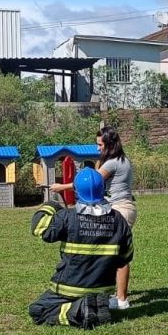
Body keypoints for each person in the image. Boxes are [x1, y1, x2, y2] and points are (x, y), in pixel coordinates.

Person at [28, 168, 134, 329]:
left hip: (69, 287)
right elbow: (125, 258)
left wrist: (50, 206)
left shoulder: (68, 217)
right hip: (101, 289)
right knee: (88, 299)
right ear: (103, 190)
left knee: (38, 310)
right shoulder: (118, 220)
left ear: (76, 191)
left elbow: (39, 228)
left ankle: (78, 311)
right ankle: (93, 306)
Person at [50, 126, 136, 310]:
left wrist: (61, 187)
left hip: (119, 208)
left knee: (119, 256)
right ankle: (116, 295)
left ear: (109, 144)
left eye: (100, 145)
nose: (97, 148)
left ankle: (121, 300)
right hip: (125, 207)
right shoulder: (122, 159)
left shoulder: (112, 163)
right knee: (116, 253)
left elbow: (91, 183)